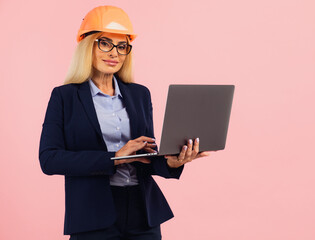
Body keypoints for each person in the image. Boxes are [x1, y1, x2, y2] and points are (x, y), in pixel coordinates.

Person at [39, 5, 209, 240]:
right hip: (92, 215)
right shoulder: (65, 97)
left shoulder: (139, 94)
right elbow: (49, 159)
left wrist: (171, 161)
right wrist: (115, 157)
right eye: (105, 43)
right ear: (88, 46)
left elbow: (146, 157)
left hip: (143, 213)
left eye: (122, 47)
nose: (114, 53)